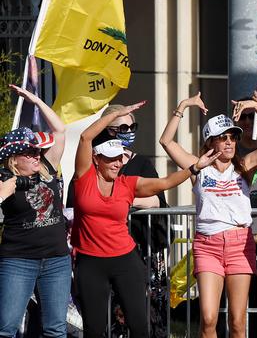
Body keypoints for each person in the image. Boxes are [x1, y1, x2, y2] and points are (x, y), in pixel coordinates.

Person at [72, 101, 219, 338]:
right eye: (110, 158)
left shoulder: (126, 184)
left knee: (140, 327)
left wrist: (194, 168)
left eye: (120, 158)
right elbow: (84, 138)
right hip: (90, 263)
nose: (117, 163)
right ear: (96, 159)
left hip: (125, 260)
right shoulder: (84, 178)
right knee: (95, 329)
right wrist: (116, 115)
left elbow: (165, 183)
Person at [159, 92, 257, 338]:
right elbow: (166, 142)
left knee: (237, 322)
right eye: (222, 138)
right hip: (207, 246)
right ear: (210, 142)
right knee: (209, 319)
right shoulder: (198, 168)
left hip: (239, 245)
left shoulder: (244, 166)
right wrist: (182, 106)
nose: (229, 142)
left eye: (232, 137)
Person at [66, 104, 170, 337]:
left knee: (141, 321)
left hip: (136, 249)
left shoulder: (140, 163)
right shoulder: (89, 165)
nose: (129, 131)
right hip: (94, 255)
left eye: (132, 126)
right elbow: (76, 200)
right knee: (98, 324)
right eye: (122, 126)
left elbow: (157, 199)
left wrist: (122, 201)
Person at [0, 85, 68, 338]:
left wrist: (35, 100)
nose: (36, 155)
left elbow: (60, 130)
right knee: (6, 328)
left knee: (55, 330)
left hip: (57, 261)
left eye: (36, 150)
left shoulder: (48, 167)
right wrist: (4, 192)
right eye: (28, 152)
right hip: (18, 261)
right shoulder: (4, 180)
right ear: (13, 159)